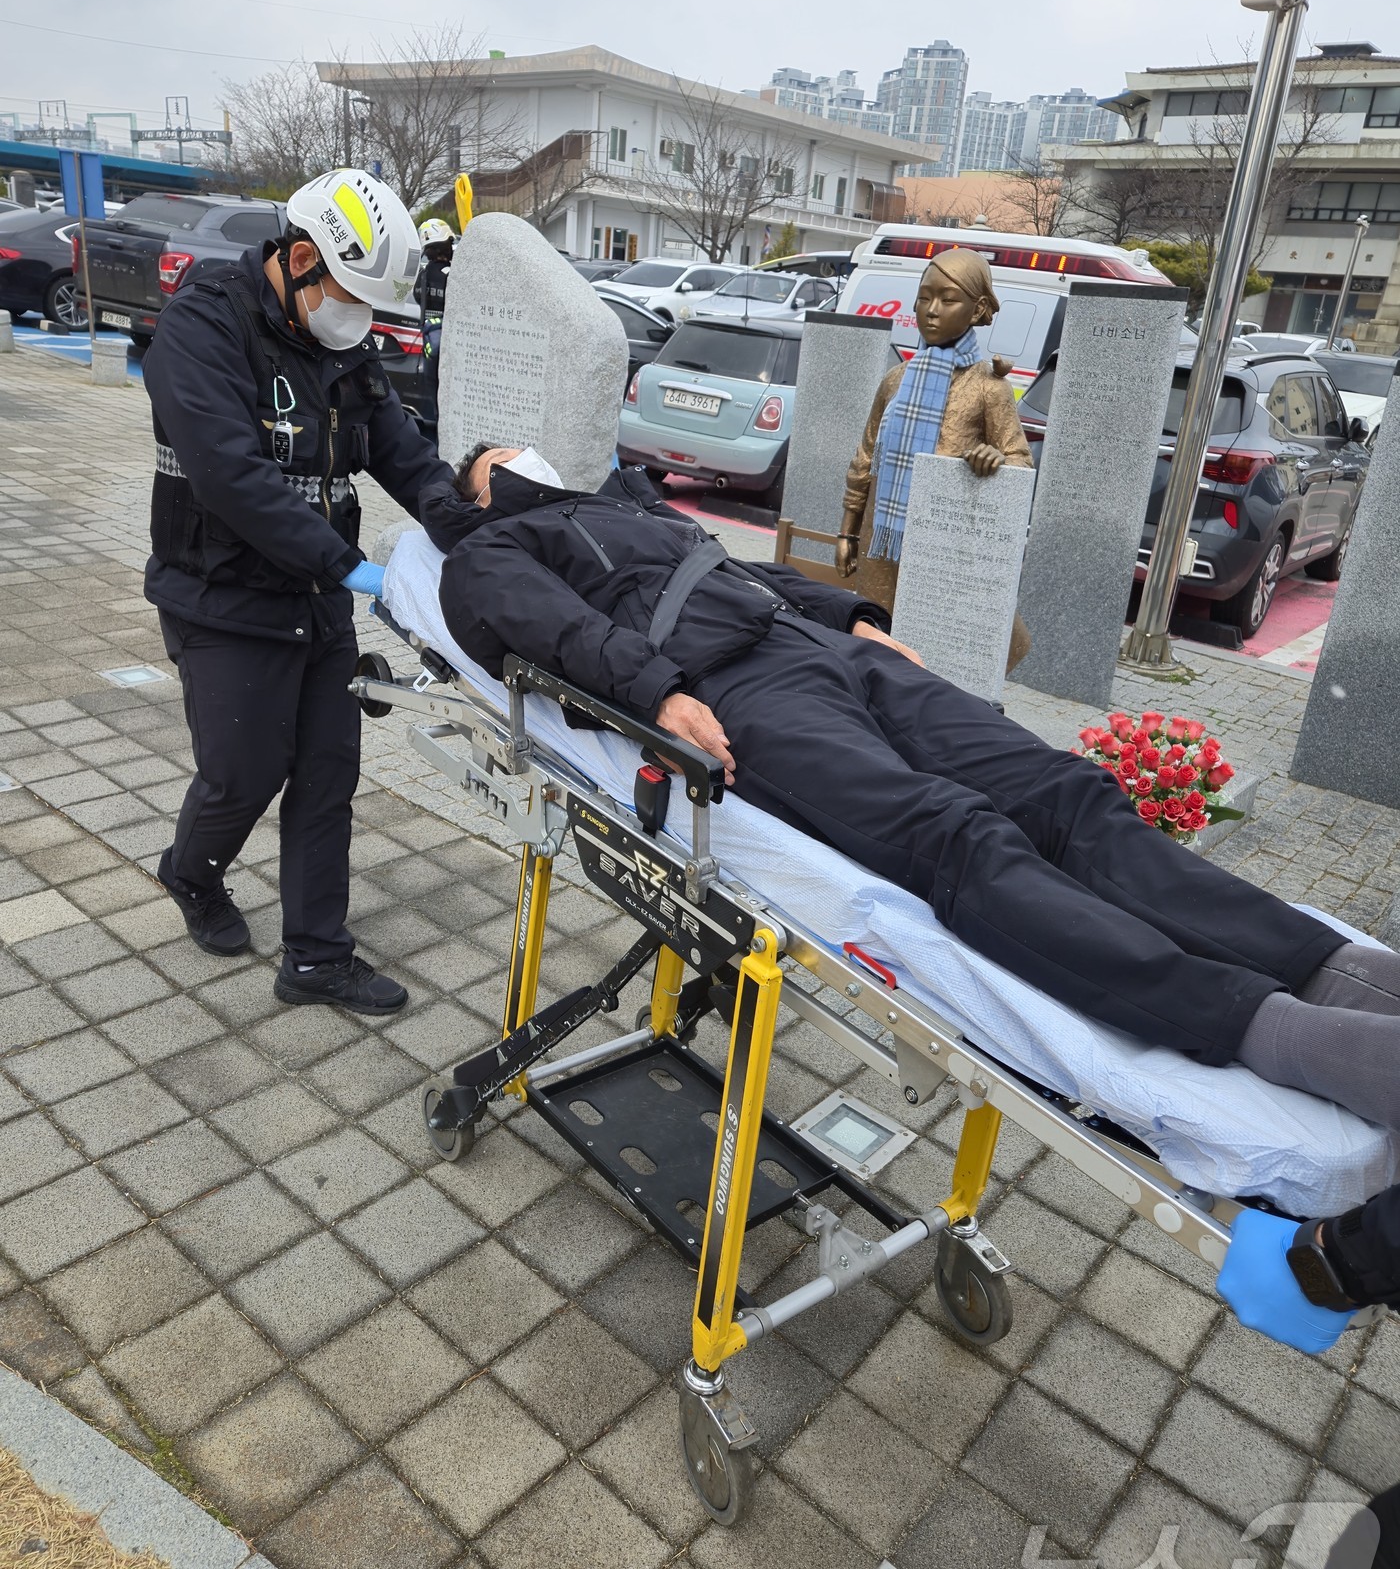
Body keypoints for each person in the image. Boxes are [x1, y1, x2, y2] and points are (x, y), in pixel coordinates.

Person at [421, 446, 1400, 1126]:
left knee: (1065, 791)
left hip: (820, 653)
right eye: (505, 460)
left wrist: (854, 618)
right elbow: (546, 626)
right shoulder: (493, 549)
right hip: (732, 695)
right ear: (482, 491)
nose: (532, 463)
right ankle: (1269, 1029)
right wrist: (657, 694)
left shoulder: (631, 509)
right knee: (956, 837)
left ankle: (1324, 966)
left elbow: (740, 574)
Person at [145, 168, 454, 1013]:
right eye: (350, 296)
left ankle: (316, 958)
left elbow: (400, 446)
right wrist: (351, 567)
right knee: (243, 773)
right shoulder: (202, 327)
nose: (357, 321)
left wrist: (463, 525)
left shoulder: (342, 340)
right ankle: (191, 873)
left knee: (326, 774)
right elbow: (232, 478)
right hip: (221, 593)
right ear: (303, 258)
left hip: (315, 598)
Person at [835, 249, 1034, 671]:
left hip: (946, 543)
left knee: (940, 655)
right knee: (878, 642)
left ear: (978, 309)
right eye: (924, 297)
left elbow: (1020, 461)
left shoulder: (988, 387)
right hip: (881, 538)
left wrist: (994, 458)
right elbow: (865, 457)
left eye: (948, 299)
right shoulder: (896, 380)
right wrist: (848, 532)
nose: (932, 310)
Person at [414, 218, 455, 436]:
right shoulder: (455, 275)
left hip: (430, 347)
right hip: (452, 350)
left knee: (433, 404)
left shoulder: (422, 276)